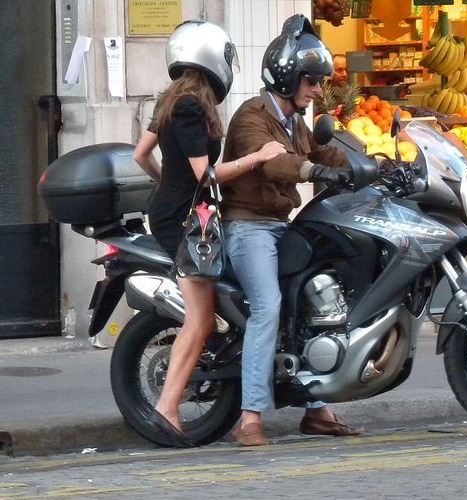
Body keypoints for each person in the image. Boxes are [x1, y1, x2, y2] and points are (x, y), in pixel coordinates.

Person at [133, 20, 286, 448]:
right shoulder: (189, 107)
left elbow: (141, 154)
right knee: (200, 319)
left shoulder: (171, 100)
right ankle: (167, 407)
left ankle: (170, 404)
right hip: (186, 222)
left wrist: (167, 185)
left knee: (206, 315)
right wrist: (258, 157)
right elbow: (207, 175)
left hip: (178, 214)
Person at [221, 14, 361, 447]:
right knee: (268, 308)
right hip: (249, 228)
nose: (317, 89)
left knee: (316, 304)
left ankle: (316, 410)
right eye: (311, 81)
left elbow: (322, 151)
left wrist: (369, 164)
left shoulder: (294, 121)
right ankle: (249, 418)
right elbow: (275, 163)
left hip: (282, 227)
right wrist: (313, 171)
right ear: (286, 77)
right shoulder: (252, 117)